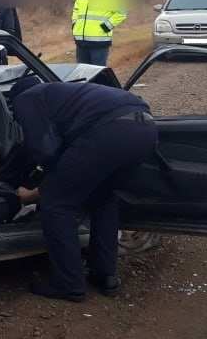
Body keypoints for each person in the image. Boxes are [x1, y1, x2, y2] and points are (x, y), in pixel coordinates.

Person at [9, 77, 157, 301]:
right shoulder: (63, 93)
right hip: (145, 129)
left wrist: (34, 190)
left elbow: (45, 150)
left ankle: (69, 284)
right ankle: (105, 276)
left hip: (108, 132)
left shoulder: (26, 99)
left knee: (57, 205)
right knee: (103, 200)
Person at [71, 0, 129, 66]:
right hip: (81, 41)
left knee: (98, 74)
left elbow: (122, 12)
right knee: (81, 74)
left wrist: (106, 26)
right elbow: (76, 9)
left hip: (99, 42)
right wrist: (74, 24)